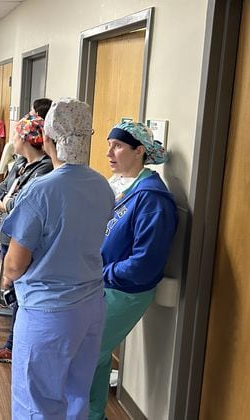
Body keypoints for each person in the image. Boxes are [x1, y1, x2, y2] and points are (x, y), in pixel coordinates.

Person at [1, 98, 114, 418]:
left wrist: (10, 277)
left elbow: (14, 264)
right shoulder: (102, 185)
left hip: (49, 313)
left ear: (48, 139)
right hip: (91, 306)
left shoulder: (41, 190)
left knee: (36, 400)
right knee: (75, 393)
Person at [88, 122, 178, 420]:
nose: (108, 152)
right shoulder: (118, 184)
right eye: (109, 144)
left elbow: (144, 264)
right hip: (99, 282)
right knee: (95, 357)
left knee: (85, 355)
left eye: (118, 146)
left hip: (123, 290)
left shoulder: (152, 198)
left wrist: (103, 272)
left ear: (139, 151)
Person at [0, 110, 54, 364]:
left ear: (25, 138)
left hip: (22, 237)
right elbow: (0, 191)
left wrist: (2, 204)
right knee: (12, 291)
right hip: (9, 234)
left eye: (16, 134)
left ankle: (15, 347)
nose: (13, 139)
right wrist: (3, 201)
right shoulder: (21, 165)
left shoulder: (44, 171)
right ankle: (16, 344)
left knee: (18, 291)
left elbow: (23, 205)